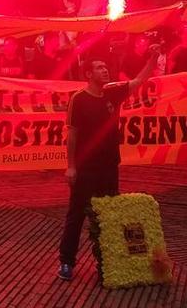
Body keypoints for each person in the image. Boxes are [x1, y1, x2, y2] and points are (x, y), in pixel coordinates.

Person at [57, 45, 160, 282]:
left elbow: (137, 81)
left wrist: (153, 58)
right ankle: (66, 261)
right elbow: (72, 135)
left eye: (105, 67)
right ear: (88, 74)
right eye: (99, 68)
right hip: (85, 168)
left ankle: (108, 259)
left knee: (110, 213)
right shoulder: (79, 100)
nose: (105, 70)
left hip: (109, 166)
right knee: (76, 215)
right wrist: (71, 166)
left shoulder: (113, 93)